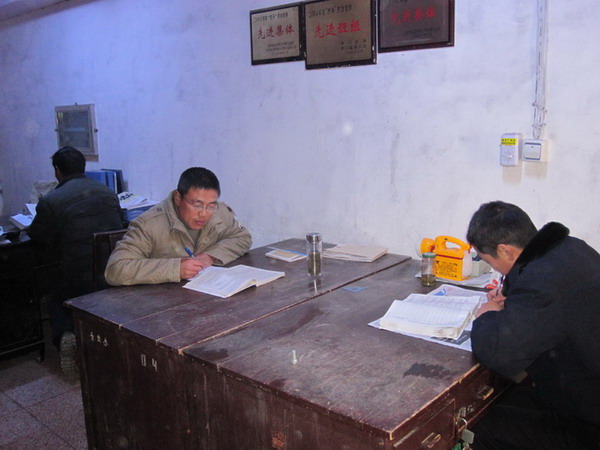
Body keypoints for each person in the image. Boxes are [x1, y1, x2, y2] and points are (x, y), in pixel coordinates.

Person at [466, 201, 600, 449]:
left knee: (478, 426)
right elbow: (555, 306)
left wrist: (487, 314)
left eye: (490, 262)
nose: (495, 270)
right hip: (584, 387)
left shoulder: (542, 284)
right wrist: (513, 298)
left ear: (505, 251)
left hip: (588, 422)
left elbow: (499, 354)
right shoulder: (570, 248)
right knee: (502, 401)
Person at [28, 147, 124, 375]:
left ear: (57, 171)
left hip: (77, 277)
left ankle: (66, 333)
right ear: (83, 166)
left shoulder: (51, 201)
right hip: (113, 271)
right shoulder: (108, 193)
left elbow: (38, 236)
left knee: (53, 294)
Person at [105, 167, 251, 286]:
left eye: (211, 205)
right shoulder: (149, 225)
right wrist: (175, 269)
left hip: (206, 295)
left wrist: (210, 256)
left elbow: (242, 237)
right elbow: (116, 269)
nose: (204, 214)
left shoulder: (219, 212)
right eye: (197, 204)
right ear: (178, 198)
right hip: (159, 304)